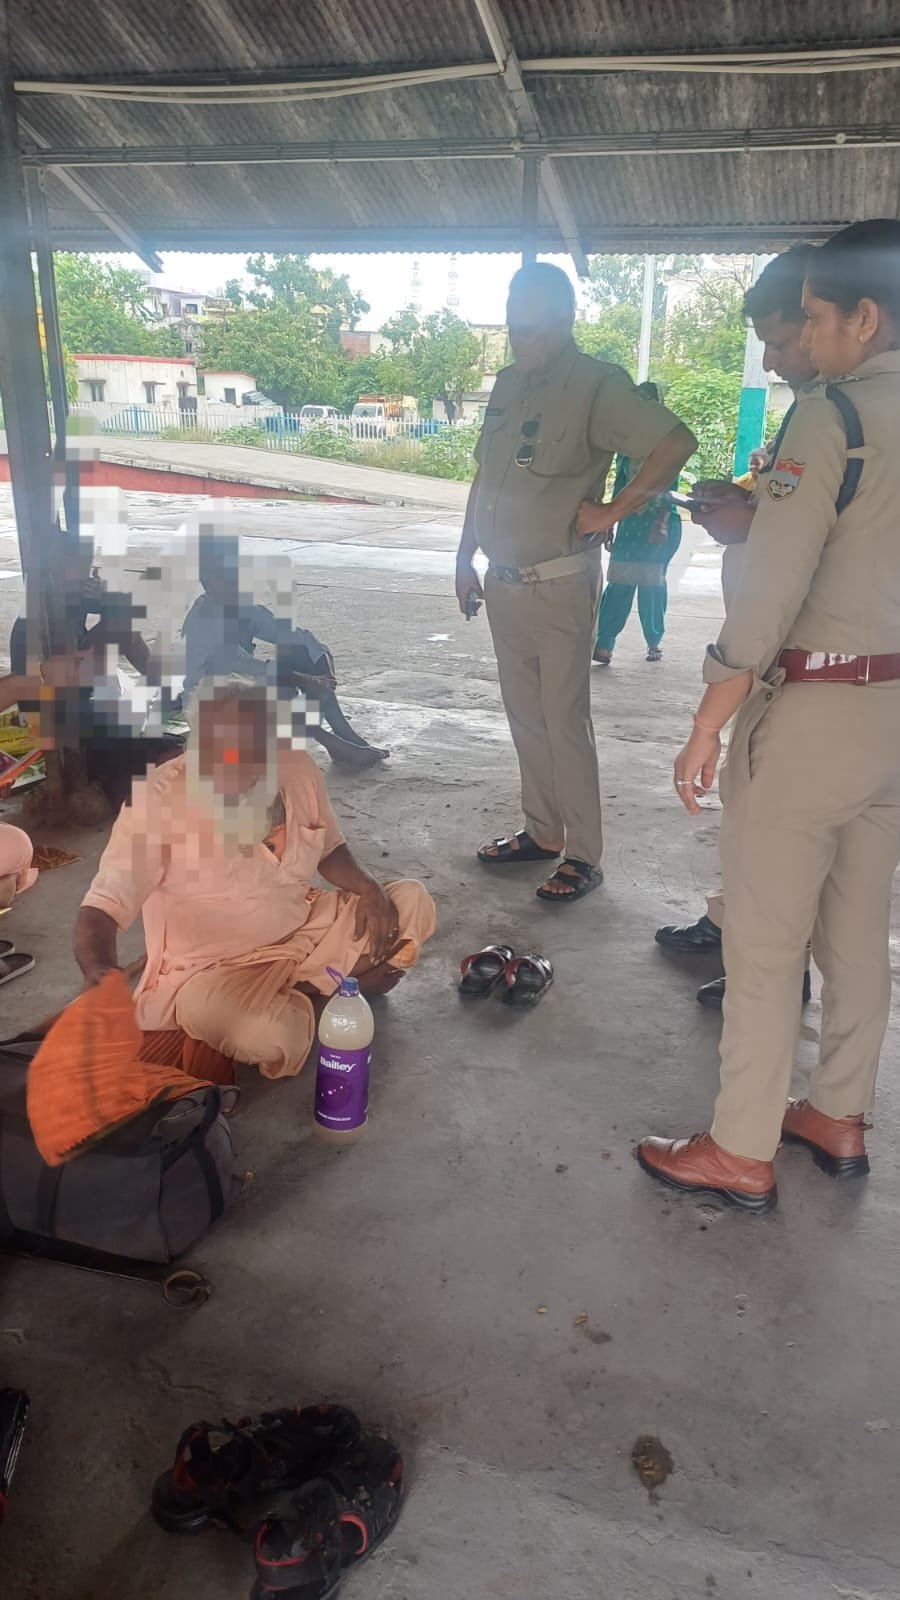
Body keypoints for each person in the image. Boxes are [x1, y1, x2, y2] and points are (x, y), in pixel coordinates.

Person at [638, 218, 900, 1214]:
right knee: (859, 928)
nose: (807, 339)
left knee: (763, 936)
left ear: (864, 318)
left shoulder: (835, 416)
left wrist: (710, 717)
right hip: (893, 719)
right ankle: (837, 1113)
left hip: (817, 711)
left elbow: (769, 594)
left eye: (817, 320)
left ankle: (741, 1147)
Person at [455, 263, 696, 903]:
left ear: (564, 320)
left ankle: (583, 855)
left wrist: (613, 510)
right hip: (502, 582)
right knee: (524, 717)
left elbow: (675, 442)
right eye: (514, 326)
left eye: (533, 327)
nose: (521, 339)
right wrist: (463, 556)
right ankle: (542, 832)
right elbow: (485, 477)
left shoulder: (597, 385)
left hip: (559, 582)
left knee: (564, 720)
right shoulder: (508, 383)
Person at [74, 677, 435, 1079]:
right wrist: (99, 970)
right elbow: (103, 906)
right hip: (213, 970)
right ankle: (336, 992)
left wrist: (368, 889)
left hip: (305, 930)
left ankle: (309, 992)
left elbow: (328, 847)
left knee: (411, 900)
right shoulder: (155, 801)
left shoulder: (296, 767)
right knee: (268, 1034)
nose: (236, 763)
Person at [655, 245, 821, 1008]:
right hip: (765, 652)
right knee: (747, 808)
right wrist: (741, 503)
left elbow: (812, 551)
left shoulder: (846, 417)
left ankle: (774, 972)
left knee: (782, 827)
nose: (773, 359)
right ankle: (732, 926)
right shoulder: (810, 412)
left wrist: (708, 717)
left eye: (782, 341)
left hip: (797, 663)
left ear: (832, 320)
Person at [182, 535, 389, 771]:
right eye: (225, 576)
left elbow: (297, 636)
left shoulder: (241, 607)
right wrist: (305, 679)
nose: (234, 581)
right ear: (207, 581)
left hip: (241, 688)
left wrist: (324, 668)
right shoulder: (203, 621)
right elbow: (250, 667)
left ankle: (343, 733)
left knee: (301, 653)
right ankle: (332, 743)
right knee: (269, 689)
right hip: (209, 704)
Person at [592, 383, 683, 665]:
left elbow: (670, 488)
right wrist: (608, 521)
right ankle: (604, 644)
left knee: (651, 584)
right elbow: (619, 486)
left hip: (658, 522)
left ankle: (654, 641)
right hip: (629, 524)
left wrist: (662, 522)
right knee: (619, 583)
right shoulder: (627, 444)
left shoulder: (670, 440)